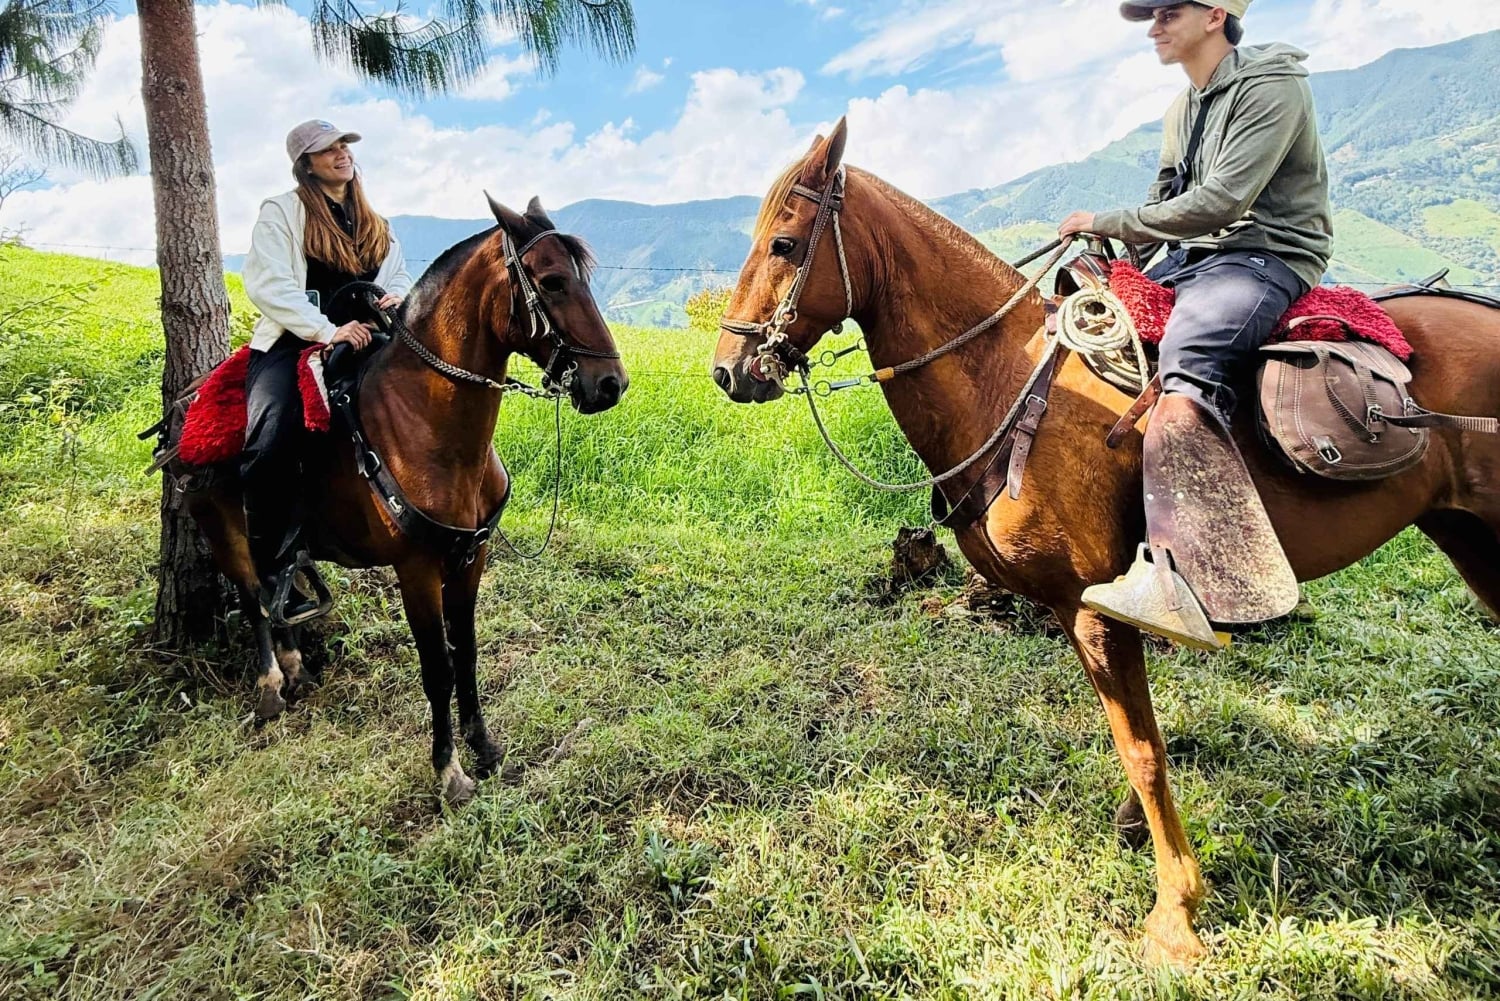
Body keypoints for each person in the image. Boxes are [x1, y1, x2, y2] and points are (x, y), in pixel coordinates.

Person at [1057, 1, 1334, 649]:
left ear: (1214, 16)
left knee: (1188, 351)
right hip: (1198, 259)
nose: (1153, 27)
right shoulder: (1181, 110)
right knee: (1092, 327)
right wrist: (1115, 261)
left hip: (1268, 257)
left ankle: (1183, 577)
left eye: (1166, 12)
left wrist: (1108, 220)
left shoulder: (1275, 86)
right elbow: (1165, 207)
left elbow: (1223, 201)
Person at [241, 119, 411, 621]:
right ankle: (272, 566)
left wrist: (393, 296)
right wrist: (325, 330)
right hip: (296, 343)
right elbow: (269, 283)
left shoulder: (373, 219)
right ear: (307, 165)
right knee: (268, 438)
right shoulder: (283, 212)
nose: (341, 154)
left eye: (343, 145)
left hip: (368, 341)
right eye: (327, 150)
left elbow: (394, 271)